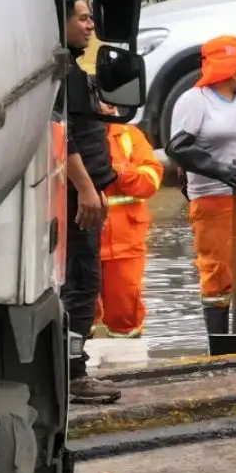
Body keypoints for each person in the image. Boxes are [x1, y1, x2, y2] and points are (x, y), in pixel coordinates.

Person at [165, 36, 236, 344]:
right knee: (218, 273)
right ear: (229, 66)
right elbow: (177, 147)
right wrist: (218, 169)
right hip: (212, 197)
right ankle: (221, 347)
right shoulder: (195, 100)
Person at [61, 0, 122, 405]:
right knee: (82, 284)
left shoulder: (72, 72)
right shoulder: (62, 75)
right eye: (82, 18)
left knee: (82, 282)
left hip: (88, 193)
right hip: (79, 197)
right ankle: (72, 373)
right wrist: (85, 187)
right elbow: (63, 136)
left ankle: (71, 367)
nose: (90, 26)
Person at [96, 110, 165, 340]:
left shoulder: (130, 136)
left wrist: (119, 171)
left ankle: (126, 363)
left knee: (125, 312)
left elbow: (150, 182)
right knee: (81, 313)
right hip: (81, 243)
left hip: (125, 244)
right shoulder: (70, 137)